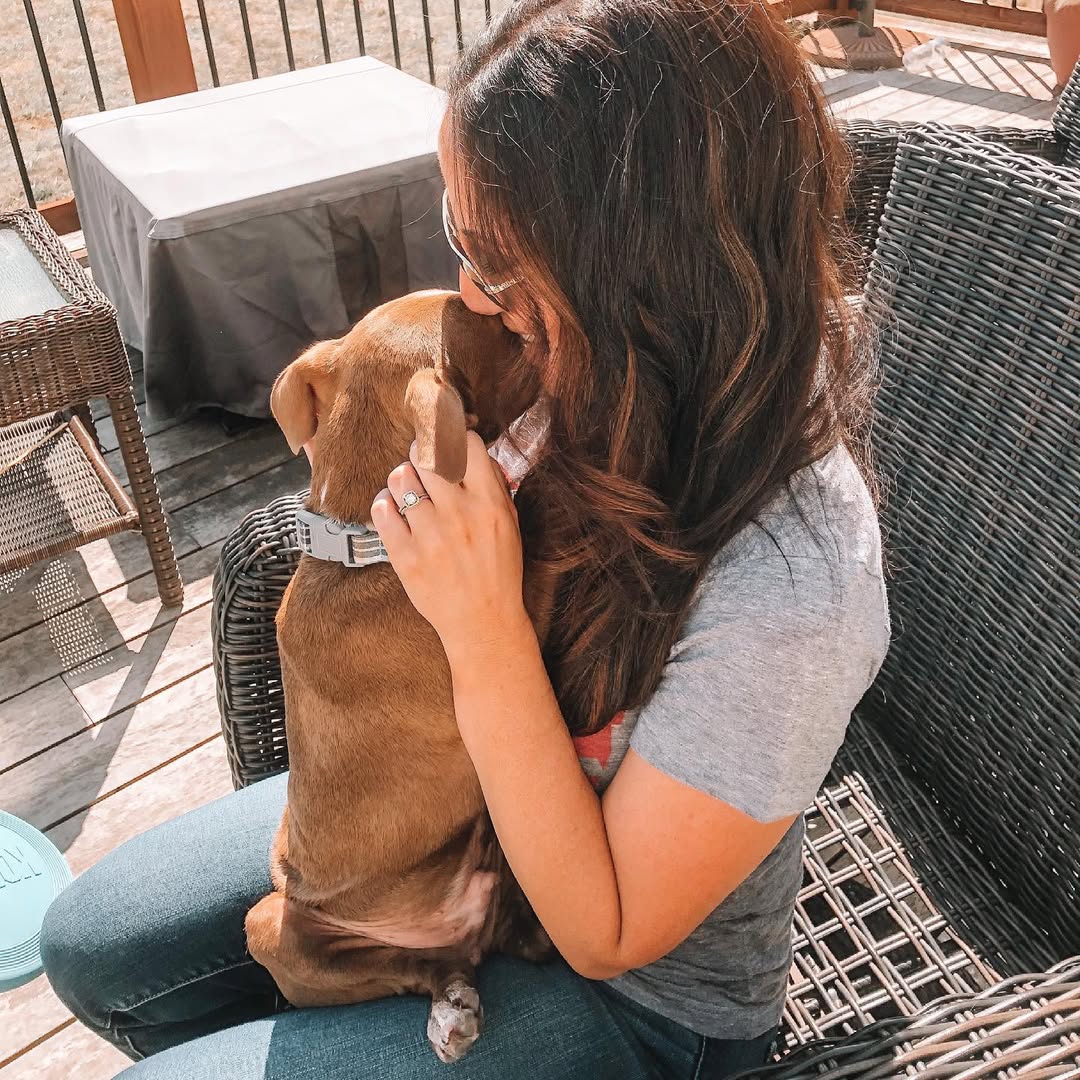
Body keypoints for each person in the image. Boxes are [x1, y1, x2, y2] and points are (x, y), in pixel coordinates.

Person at [40, 1, 890, 1076]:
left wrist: (483, 623)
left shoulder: (795, 587)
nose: (472, 306)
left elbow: (610, 930)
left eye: (500, 265)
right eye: (460, 243)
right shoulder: (586, 376)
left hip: (633, 1002)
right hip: (463, 832)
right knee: (95, 948)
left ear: (643, 275)